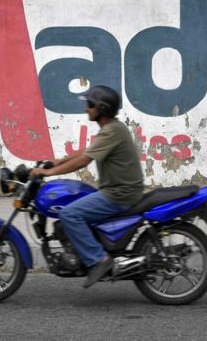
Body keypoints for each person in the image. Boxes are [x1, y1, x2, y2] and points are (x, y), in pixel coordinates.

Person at [29, 85, 144, 288]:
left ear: (102, 109)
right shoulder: (112, 129)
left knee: (69, 214)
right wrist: (57, 161)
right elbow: (88, 150)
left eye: (90, 104)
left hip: (119, 195)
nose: (86, 109)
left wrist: (48, 173)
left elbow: (84, 161)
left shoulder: (111, 132)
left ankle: (99, 259)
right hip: (118, 191)